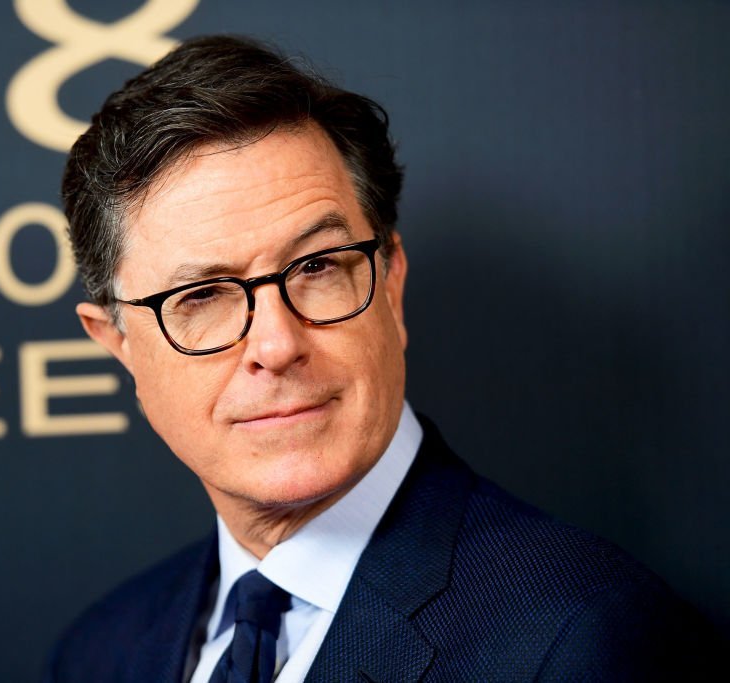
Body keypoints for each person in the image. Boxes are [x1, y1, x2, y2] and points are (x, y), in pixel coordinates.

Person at [43, 35, 718, 682]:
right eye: (204, 296)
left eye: (317, 267)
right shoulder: (100, 650)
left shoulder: (583, 640)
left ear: (391, 285)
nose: (277, 345)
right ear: (119, 344)